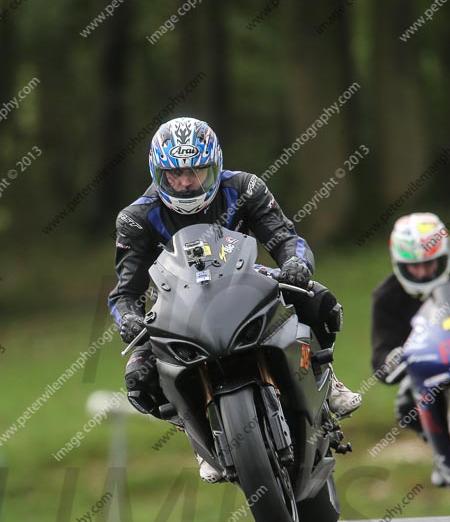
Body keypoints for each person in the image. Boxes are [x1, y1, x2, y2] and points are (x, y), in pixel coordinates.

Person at [108, 116, 361, 481]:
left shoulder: (246, 187)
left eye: (198, 171)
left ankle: (325, 374)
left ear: (217, 166)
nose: (185, 182)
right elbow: (125, 292)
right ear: (157, 174)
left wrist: (295, 263)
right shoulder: (135, 218)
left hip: (246, 284)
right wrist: (129, 318)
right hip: (178, 305)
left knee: (317, 298)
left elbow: (286, 238)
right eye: (173, 175)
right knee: (139, 377)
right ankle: (197, 432)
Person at [371, 212, 450, 485]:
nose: (422, 272)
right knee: (406, 402)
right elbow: (380, 357)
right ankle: (444, 455)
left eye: (430, 264)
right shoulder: (387, 297)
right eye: (413, 266)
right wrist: (394, 358)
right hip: (430, 369)